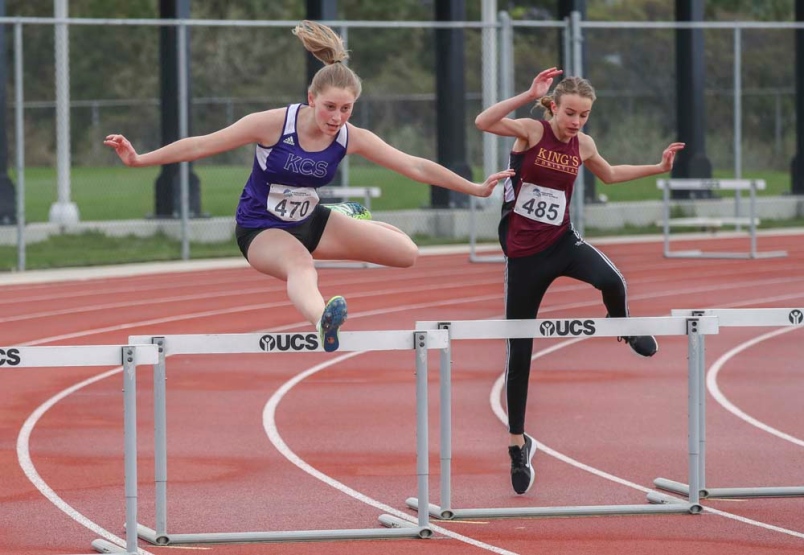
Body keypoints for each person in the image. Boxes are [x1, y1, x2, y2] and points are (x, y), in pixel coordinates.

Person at [104, 20, 513, 353]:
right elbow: (201, 144)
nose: (336, 117)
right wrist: (141, 158)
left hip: (312, 220)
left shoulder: (351, 136)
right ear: (311, 98)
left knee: (407, 254)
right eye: (330, 107)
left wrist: (474, 188)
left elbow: (415, 165)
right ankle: (323, 321)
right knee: (301, 265)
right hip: (262, 228)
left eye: (346, 109)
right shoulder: (272, 124)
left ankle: (345, 214)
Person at [474, 68, 685, 495]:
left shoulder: (583, 144)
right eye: (570, 113)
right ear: (553, 107)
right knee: (520, 354)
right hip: (524, 257)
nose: (576, 122)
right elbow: (483, 122)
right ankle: (518, 444)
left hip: (562, 242)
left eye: (584, 115)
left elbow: (609, 174)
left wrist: (657, 168)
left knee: (612, 280)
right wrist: (527, 94)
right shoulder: (531, 132)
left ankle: (622, 326)